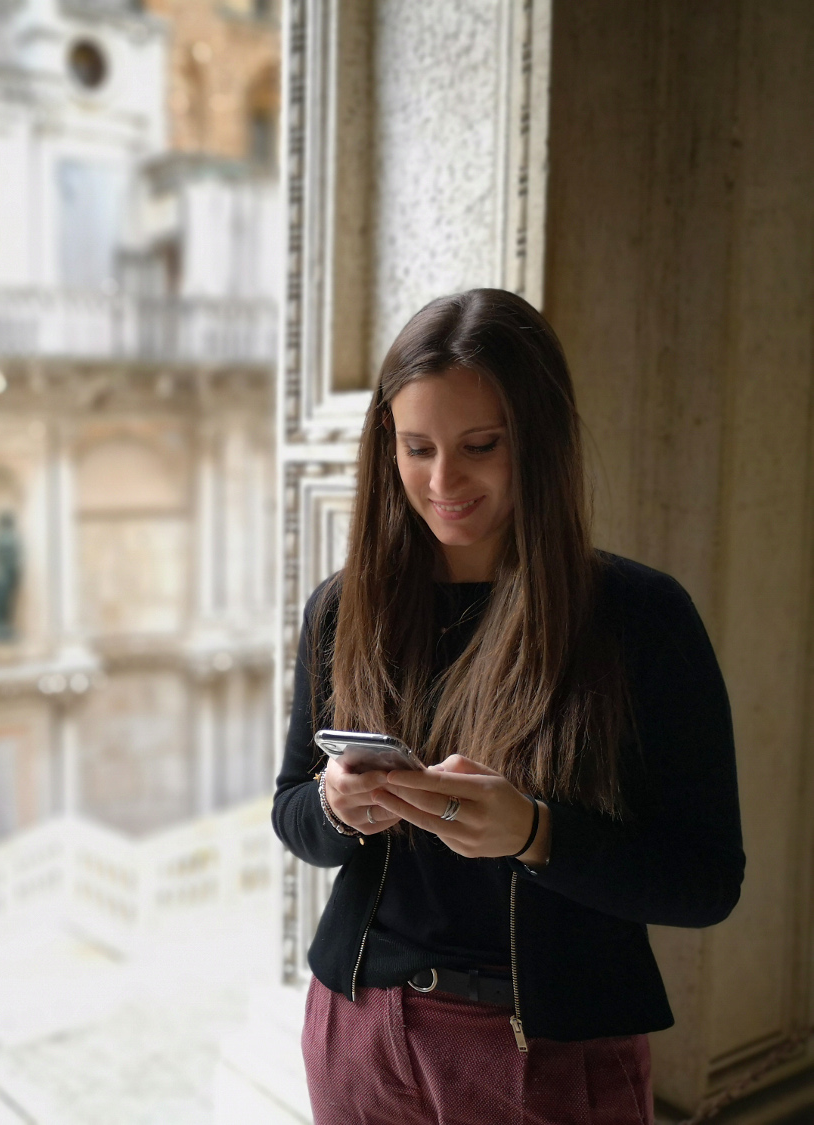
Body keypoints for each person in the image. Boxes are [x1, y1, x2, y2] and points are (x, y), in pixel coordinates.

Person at [273, 289, 743, 1123]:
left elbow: (705, 881)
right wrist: (337, 805)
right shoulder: (346, 607)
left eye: (480, 446)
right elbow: (292, 814)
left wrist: (536, 832)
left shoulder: (639, 618)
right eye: (416, 448)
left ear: (540, 440)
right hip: (357, 1032)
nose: (443, 481)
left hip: (548, 1058)